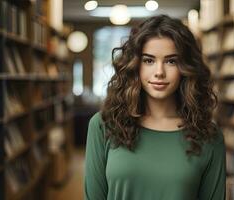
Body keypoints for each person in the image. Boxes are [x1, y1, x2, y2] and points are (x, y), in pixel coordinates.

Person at [84, 15, 226, 200]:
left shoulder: (208, 135)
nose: (159, 72)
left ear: (186, 67)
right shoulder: (103, 126)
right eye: (149, 60)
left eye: (171, 61)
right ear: (135, 65)